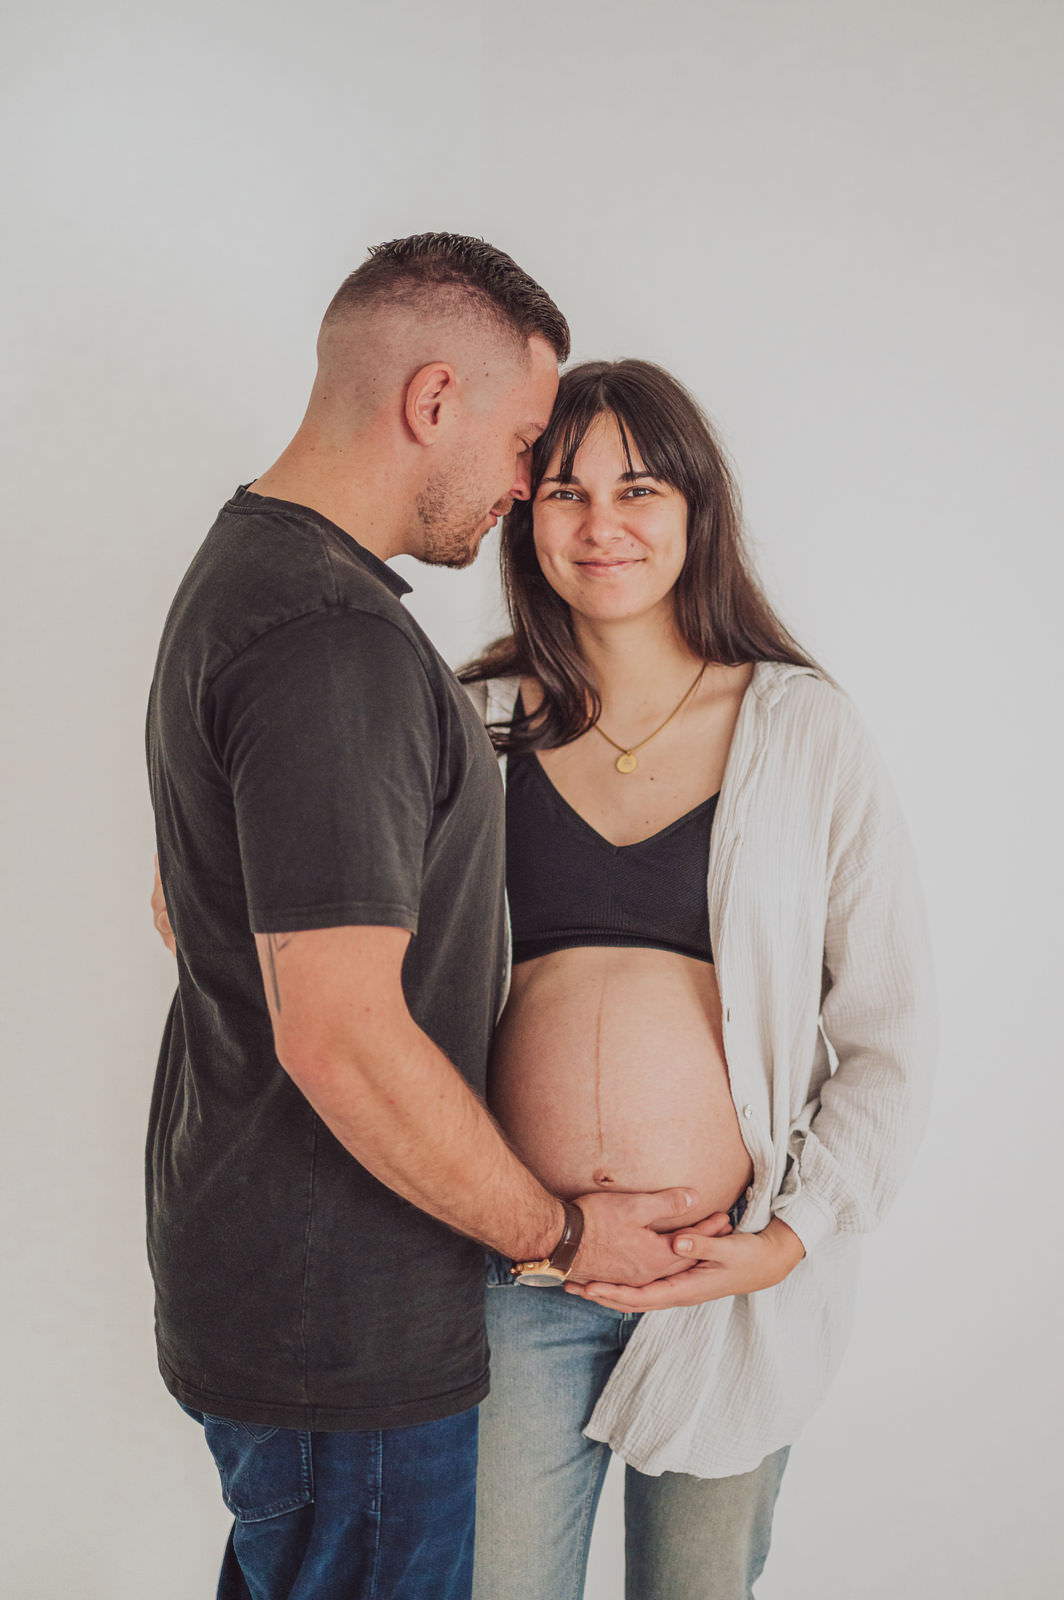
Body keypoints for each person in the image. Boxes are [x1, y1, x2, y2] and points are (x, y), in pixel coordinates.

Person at [145, 241, 705, 1600]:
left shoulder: (256, 579)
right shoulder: (331, 639)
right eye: (527, 443)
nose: (526, 487)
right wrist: (557, 1237)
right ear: (432, 401)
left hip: (293, 1297)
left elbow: (203, 910)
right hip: (344, 1325)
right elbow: (339, 1036)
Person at [458, 359, 937, 1600]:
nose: (600, 523)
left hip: (721, 1279)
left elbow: (886, 1027)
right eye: (562, 489)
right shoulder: (469, 716)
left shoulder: (800, 727)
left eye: (638, 487)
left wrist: (789, 1237)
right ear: (522, 513)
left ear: (694, 510)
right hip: (519, 1273)